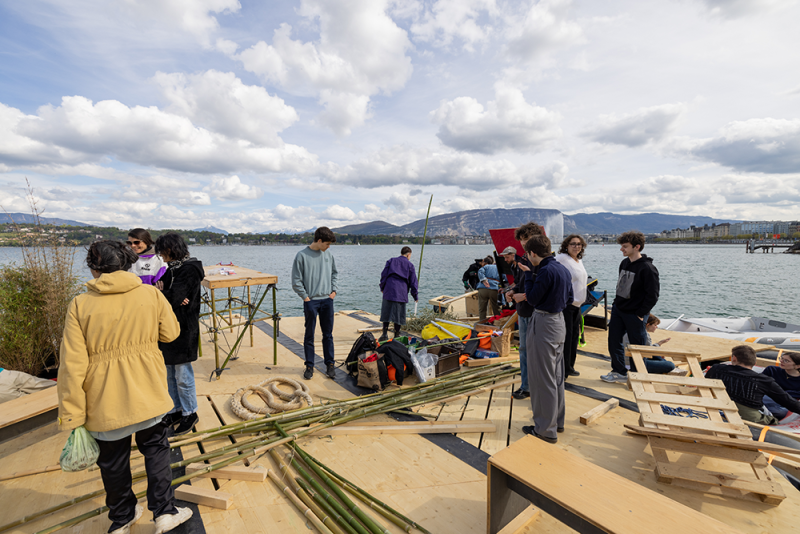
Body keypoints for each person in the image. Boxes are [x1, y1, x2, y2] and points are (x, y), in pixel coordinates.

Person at [58, 240, 192, 534]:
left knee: (113, 463)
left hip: (104, 399)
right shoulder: (148, 294)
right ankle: (165, 513)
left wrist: (72, 415)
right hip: (148, 391)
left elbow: (71, 366)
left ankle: (122, 519)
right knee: (156, 451)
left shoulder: (80, 304)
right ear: (127, 263)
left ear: (94, 268)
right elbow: (171, 334)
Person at [517, 235, 573, 444]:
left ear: (532, 253)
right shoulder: (562, 269)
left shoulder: (545, 271)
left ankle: (545, 429)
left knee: (541, 378)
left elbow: (531, 298)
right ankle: (557, 421)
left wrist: (529, 276)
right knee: (556, 375)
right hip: (559, 322)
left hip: (543, 322)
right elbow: (569, 299)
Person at [154, 233, 204, 436]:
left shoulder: (190, 269)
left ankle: (190, 412)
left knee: (183, 374)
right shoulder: (172, 269)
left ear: (171, 250)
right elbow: (160, 292)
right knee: (169, 374)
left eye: (162, 252)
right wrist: (164, 294)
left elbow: (174, 297)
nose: (160, 256)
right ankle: (175, 410)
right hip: (168, 327)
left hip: (185, 328)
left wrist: (164, 294)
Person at [601, 231, 660, 384]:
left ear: (637, 247)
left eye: (625, 246)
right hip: (619, 311)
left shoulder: (648, 268)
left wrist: (640, 314)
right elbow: (621, 287)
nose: (622, 249)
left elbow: (652, 296)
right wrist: (615, 305)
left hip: (635, 314)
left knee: (637, 347)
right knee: (614, 342)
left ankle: (637, 376)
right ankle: (619, 372)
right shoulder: (624, 263)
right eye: (622, 246)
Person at [501, 222, 544, 401]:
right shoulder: (524, 259)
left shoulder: (541, 261)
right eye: (522, 241)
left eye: (526, 240)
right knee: (524, 350)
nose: (523, 244)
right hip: (524, 311)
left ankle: (530, 387)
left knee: (533, 351)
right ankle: (527, 385)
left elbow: (542, 287)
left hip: (536, 312)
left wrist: (523, 296)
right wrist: (512, 291)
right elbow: (521, 282)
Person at [705, 346, 800, 424]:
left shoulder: (716, 368)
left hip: (716, 407)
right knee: (775, 421)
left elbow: (706, 386)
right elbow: (789, 403)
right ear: (755, 363)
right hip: (748, 416)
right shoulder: (764, 380)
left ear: (734, 358)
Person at [292, 227, 339, 381]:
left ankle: (330, 365)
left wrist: (334, 291)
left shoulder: (328, 254)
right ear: (319, 241)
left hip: (327, 300)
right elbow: (296, 280)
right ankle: (309, 366)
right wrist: (305, 297)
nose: (329, 246)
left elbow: (334, 273)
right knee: (309, 335)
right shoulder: (301, 256)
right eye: (327, 243)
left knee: (328, 334)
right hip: (311, 301)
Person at [555, 234, 588, 378]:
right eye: (573, 244)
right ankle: (563, 370)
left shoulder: (578, 260)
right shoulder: (562, 259)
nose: (576, 246)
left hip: (577, 305)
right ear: (566, 246)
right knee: (566, 339)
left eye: (579, 244)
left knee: (574, 337)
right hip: (567, 305)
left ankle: (570, 366)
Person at [378, 246, 419, 342]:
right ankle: (396, 335)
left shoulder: (391, 261)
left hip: (389, 289)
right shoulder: (410, 265)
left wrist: (382, 287)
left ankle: (384, 334)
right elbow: (413, 282)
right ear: (408, 255)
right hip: (401, 291)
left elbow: (383, 275)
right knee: (399, 314)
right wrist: (415, 295)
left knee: (386, 312)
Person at [762, 351, 800, 420]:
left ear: (797, 366)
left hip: (785, 402)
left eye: (786, 361)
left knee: (782, 412)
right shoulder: (771, 370)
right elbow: (760, 384)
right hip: (767, 397)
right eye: (781, 358)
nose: (781, 361)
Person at [477, 255, 501, 321]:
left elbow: (480, 272)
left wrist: (484, 280)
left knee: (482, 309)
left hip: (483, 288)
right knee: (496, 308)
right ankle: (498, 322)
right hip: (494, 289)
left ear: (485, 262)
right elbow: (504, 277)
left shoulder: (485, 267)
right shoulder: (498, 267)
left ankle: (482, 323)